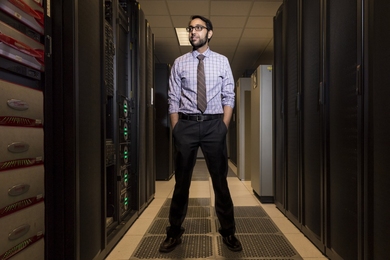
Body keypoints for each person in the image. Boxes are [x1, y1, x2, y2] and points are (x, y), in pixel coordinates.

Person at [159, 15, 242, 253]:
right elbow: (173, 99)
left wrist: (223, 126)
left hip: (214, 125)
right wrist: (177, 129)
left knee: (220, 182)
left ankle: (228, 232)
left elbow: (229, 95)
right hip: (185, 126)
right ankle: (174, 232)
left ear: (210, 32)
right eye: (190, 28)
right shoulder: (180, 62)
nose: (193, 32)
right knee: (181, 183)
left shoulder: (222, 61)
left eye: (198, 28)